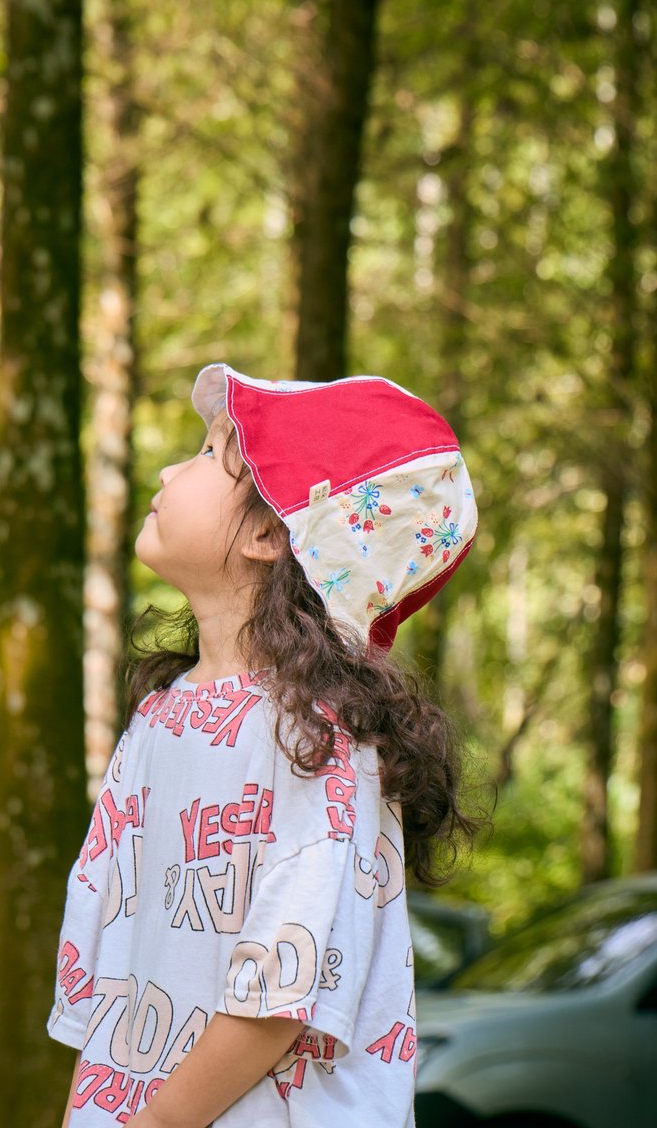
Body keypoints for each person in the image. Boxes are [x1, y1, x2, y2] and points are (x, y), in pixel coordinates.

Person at [48, 363, 481, 1127]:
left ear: (266, 533)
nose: (167, 467)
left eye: (210, 453)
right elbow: (110, 957)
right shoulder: (161, 715)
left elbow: (280, 998)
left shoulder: (317, 743)